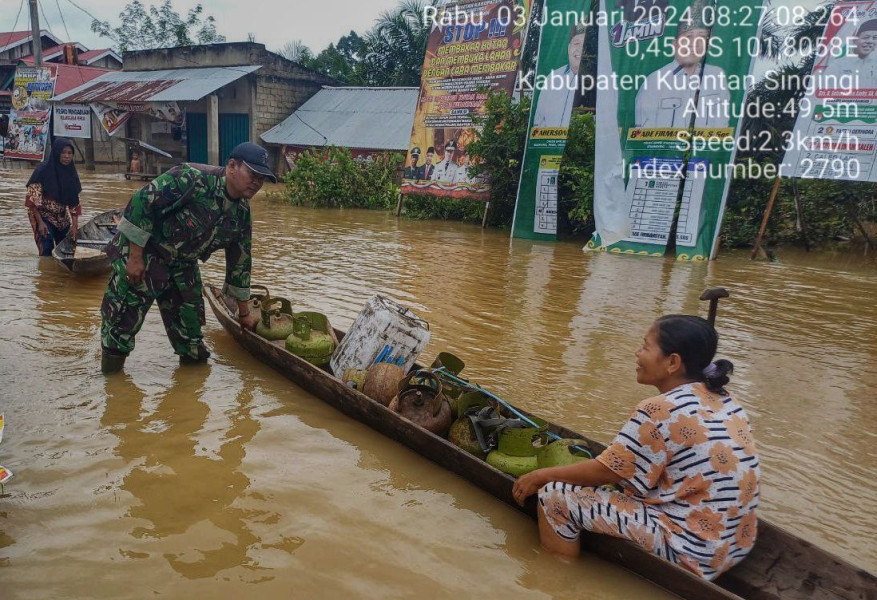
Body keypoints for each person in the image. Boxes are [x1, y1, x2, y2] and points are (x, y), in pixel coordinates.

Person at [513, 315, 760, 581]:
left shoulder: (659, 409)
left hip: (690, 551)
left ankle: (558, 581)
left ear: (672, 362)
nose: (637, 353)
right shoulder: (726, 400)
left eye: (645, 346)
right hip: (734, 545)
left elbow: (607, 472)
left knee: (554, 497)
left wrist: (540, 476)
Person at [99, 142, 276, 374]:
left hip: (183, 264)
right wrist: (134, 256)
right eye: (252, 174)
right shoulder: (191, 178)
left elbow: (240, 264)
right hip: (147, 251)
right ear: (232, 166)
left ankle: (190, 392)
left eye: (262, 178)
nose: (257, 182)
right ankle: (112, 389)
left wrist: (244, 315)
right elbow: (142, 201)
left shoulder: (241, 214)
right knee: (120, 328)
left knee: (191, 337)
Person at [634, 15, 730, 129]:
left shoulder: (716, 76)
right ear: (675, 44)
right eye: (688, 37)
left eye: (702, 38)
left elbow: (722, 128)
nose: (694, 43)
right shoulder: (654, 82)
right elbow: (643, 135)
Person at [24, 137, 82, 256]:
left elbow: (74, 203)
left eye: (70, 153)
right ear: (56, 153)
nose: (67, 156)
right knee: (46, 248)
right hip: (41, 214)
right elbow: (32, 201)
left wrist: (75, 225)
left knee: (66, 247)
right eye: (63, 153)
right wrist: (40, 223)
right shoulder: (42, 171)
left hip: (61, 216)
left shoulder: (71, 174)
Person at [532, 24, 586, 128]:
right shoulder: (552, 78)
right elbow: (538, 122)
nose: (580, 49)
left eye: (585, 44)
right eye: (576, 43)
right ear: (569, 48)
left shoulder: (601, 80)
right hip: (550, 142)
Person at [821, 19, 877, 89]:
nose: (870, 41)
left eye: (875, 38)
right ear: (855, 39)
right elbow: (823, 91)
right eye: (866, 37)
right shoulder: (838, 65)